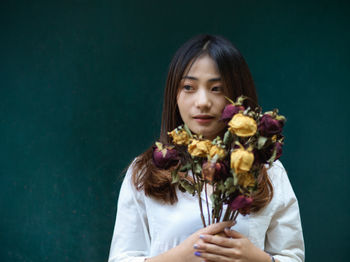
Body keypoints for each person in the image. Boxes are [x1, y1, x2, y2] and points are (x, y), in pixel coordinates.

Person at [108, 34, 305, 262]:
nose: (202, 101)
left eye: (216, 88)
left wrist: (258, 259)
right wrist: (178, 257)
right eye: (189, 87)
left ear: (237, 97)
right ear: (175, 95)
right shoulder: (145, 171)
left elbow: (293, 256)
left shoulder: (268, 173)